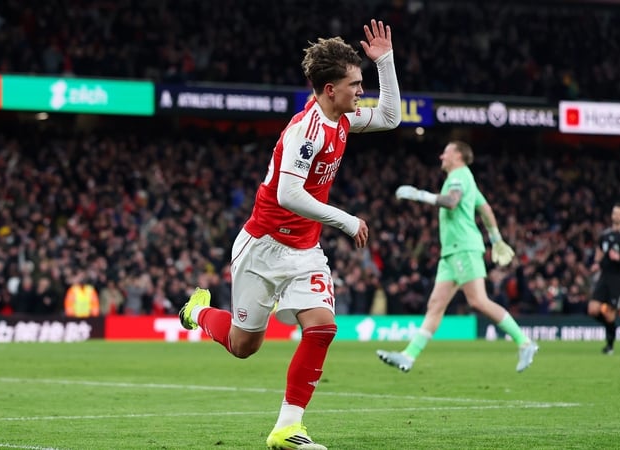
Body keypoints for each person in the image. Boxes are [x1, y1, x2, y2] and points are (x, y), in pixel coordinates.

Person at [178, 19, 401, 450]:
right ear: (329, 89)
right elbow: (288, 193)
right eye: (354, 84)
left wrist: (385, 62)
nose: (361, 91)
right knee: (244, 347)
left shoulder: (342, 121)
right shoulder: (307, 131)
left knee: (322, 327)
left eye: (362, 82)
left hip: (304, 250)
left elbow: (391, 116)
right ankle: (197, 312)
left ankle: (287, 428)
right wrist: (346, 219)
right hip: (262, 246)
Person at [376, 140, 539, 373]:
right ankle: (408, 356)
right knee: (435, 305)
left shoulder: (459, 175)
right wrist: (496, 240)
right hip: (451, 252)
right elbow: (486, 209)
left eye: (446, 152)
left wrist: (419, 194)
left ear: (458, 156)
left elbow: (451, 202)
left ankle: (525, 342)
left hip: (463, 247)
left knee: (478, 301)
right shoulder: (466, 177)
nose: (442, 156)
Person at [587, 203, 620, 355]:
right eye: (614, 213)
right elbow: (599, 250)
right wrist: (597, 263)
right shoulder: (605, 234)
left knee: (609, 313)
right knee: (592, 309)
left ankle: (609, 345)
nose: (616, 216)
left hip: (619, 278)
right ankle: (611, 328)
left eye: (619, 213)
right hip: (604, 275)